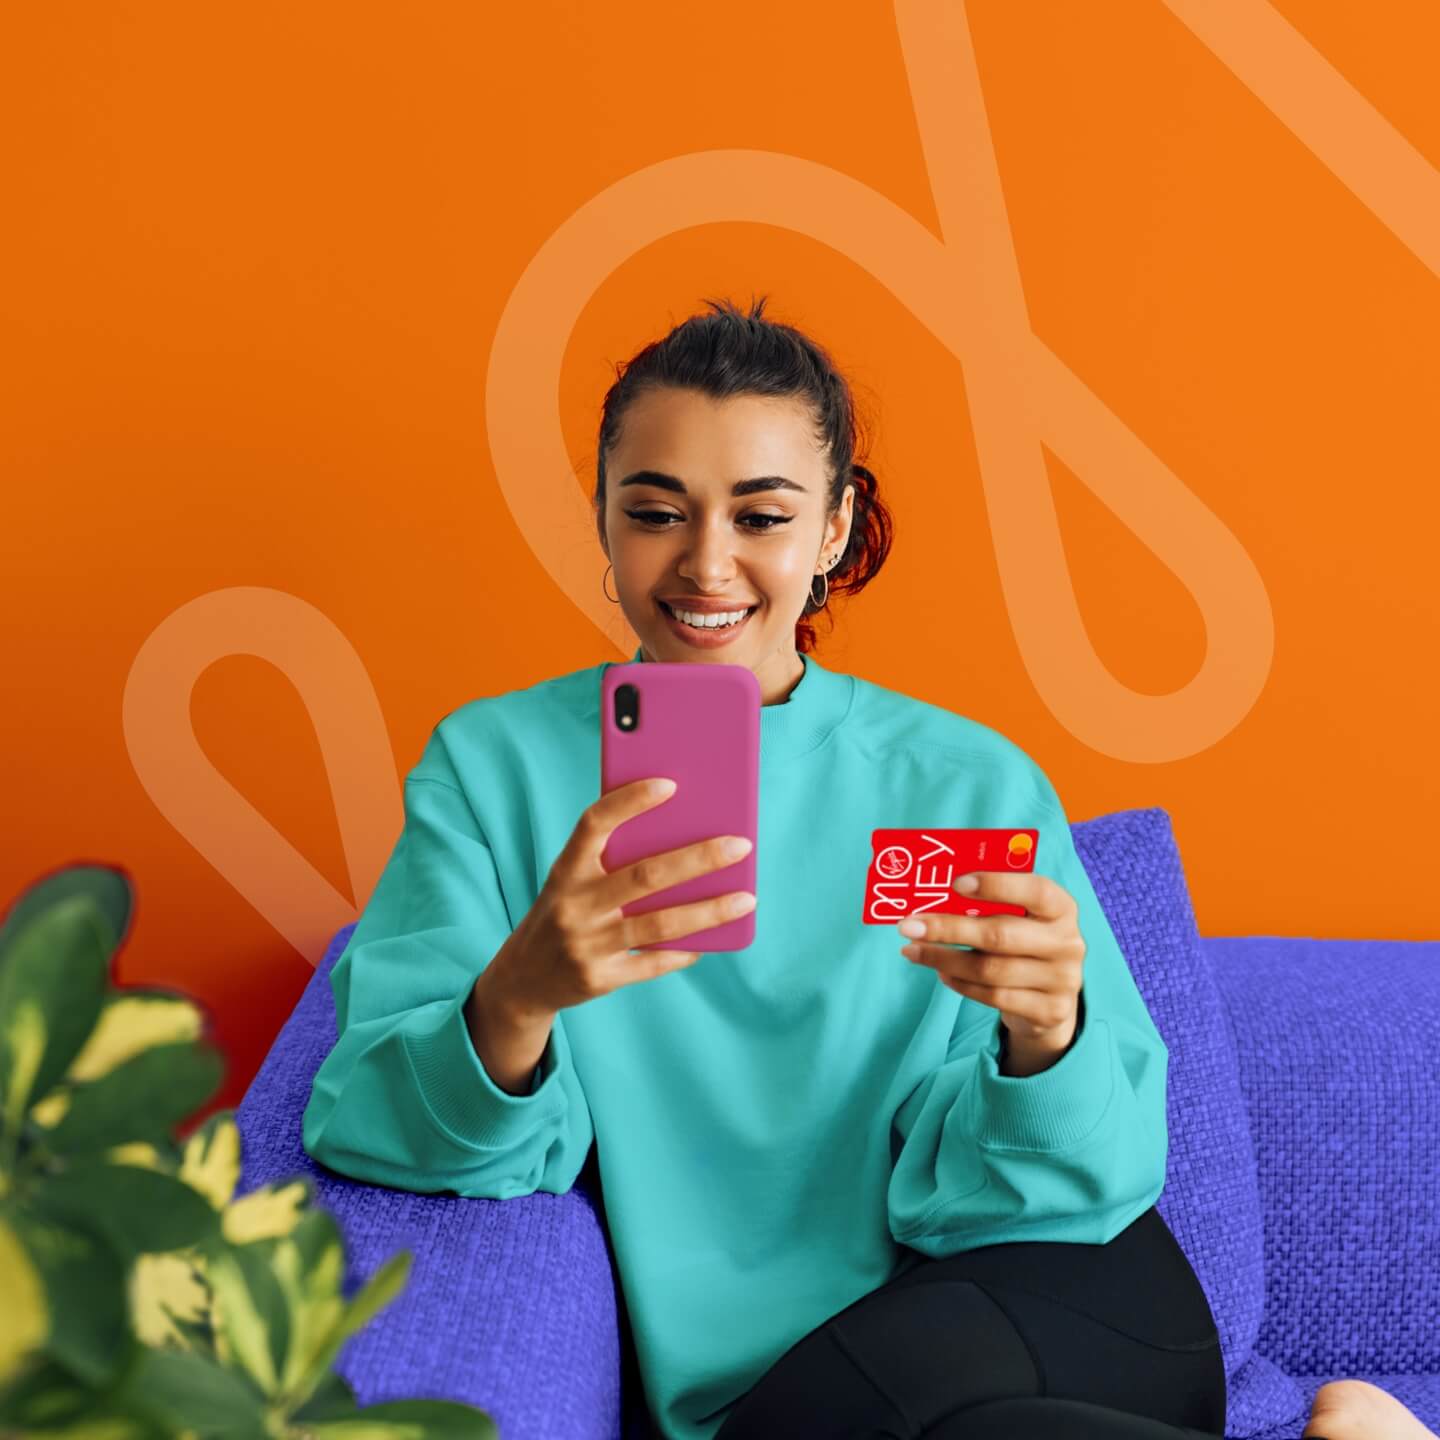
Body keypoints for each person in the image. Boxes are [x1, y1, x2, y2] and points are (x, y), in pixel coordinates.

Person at [302, 297, 1433, 1440]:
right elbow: (365, 1121)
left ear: (834, 530)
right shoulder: (497, 771)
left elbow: (1069, 1185)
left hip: (1052, 1286)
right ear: (602, 517)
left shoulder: (955, 782)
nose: (706, 564)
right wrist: (521, 995)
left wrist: (1044, 1042)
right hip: (817, 1387)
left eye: (762, 516)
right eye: (656, 511)